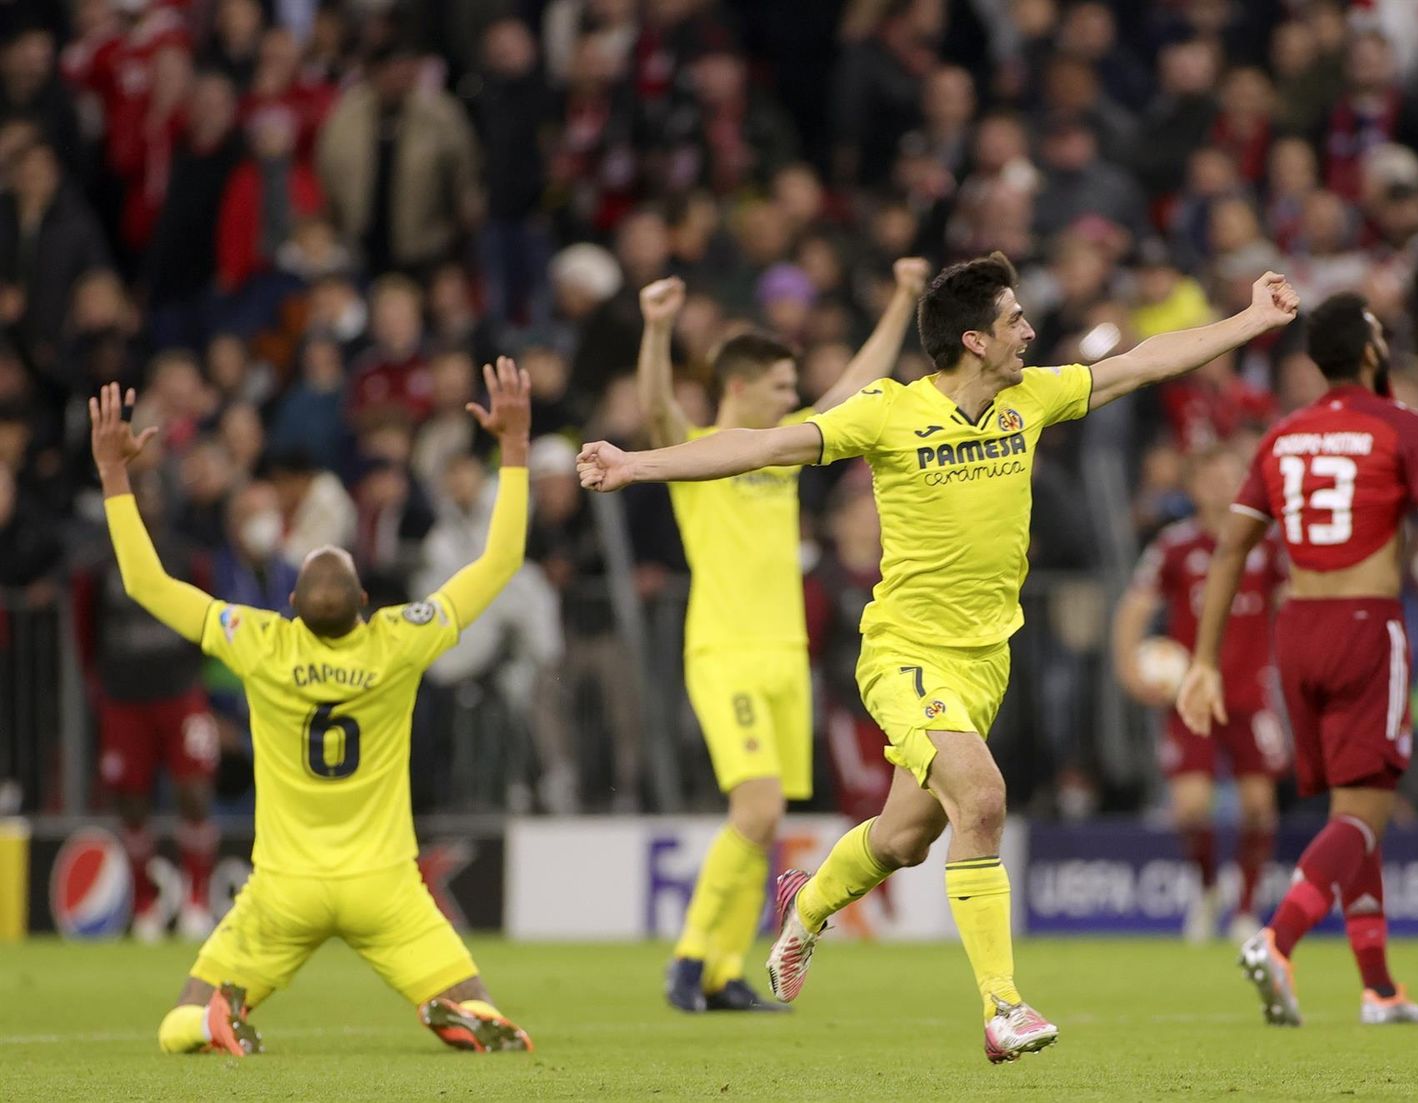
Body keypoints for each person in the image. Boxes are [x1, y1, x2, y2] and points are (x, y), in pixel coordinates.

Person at [580, 252, 1301, 1062]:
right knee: (982, 800)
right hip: (904, 654)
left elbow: (1142, 362)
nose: (1030, 331)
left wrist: (1251, 319)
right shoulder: (889, 412)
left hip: (984, 663)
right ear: (974, 339)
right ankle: (1003, 1006)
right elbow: (761, 446)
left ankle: (805, 906)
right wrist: (636, 464)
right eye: (1014, 320)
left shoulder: (1031, 397)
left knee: (903, 839)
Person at [89, 360, 535, 1058]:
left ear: (291, 604)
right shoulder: (399, 639)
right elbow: (501, 559)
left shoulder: (259, 640)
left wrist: (115, 475)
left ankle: (211, 1021)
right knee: (473, 996)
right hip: (384, 885)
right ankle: (463, 1012)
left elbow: (146, 583)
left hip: (285, 888)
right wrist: (513, 447)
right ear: (366, 603)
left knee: (180, 1021)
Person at [1177, 292, 1418, 1028]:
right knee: (1367, 810)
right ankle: (1277, 939)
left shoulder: (1282, 436)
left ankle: (1379, 987)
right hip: (1366, 627)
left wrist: (1202, 660)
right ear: (1372, 352)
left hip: (1297, 632)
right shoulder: (1402, 424)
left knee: (1351, 806)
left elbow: (1231, 549)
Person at [640, 257, 928, 1013]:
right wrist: (658, 329)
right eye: (779, 387)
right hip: (724, 653)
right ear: (738, 387)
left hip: (784, 660)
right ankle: (689, 958)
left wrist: (902, 297)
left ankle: (723, 972)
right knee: (758, 809)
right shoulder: (699, 452)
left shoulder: (782, 456)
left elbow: (858, 385)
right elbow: (657, 409)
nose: (792, 397)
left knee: (764, 826)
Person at [1113, 446, 1288, 945]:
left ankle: (1247, 909)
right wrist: (1129, 670)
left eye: (1230, 476)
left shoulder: (1267, 543)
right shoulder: (1175, 546)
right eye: (1210, 478)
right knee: (1190, 808)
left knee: (1259, 807)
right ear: (1192, 487)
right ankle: (1208, 890)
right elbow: (1134, 608)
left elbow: (1294, 605)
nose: (1220, 486)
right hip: (1190, 697)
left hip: (1251, 694)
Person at [73, 472, 220, 942]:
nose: (149, 502)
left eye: (156, 493)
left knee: (194, 792)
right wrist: (99, 685)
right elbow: (85, 632)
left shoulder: (188, 558)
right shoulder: (98, 566)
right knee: (132, 802)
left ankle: (197, 901)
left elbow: (206, 621)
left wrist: (195, 680)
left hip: (180, 693)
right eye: (140, 494)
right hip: (124, 699)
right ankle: (145, 906)